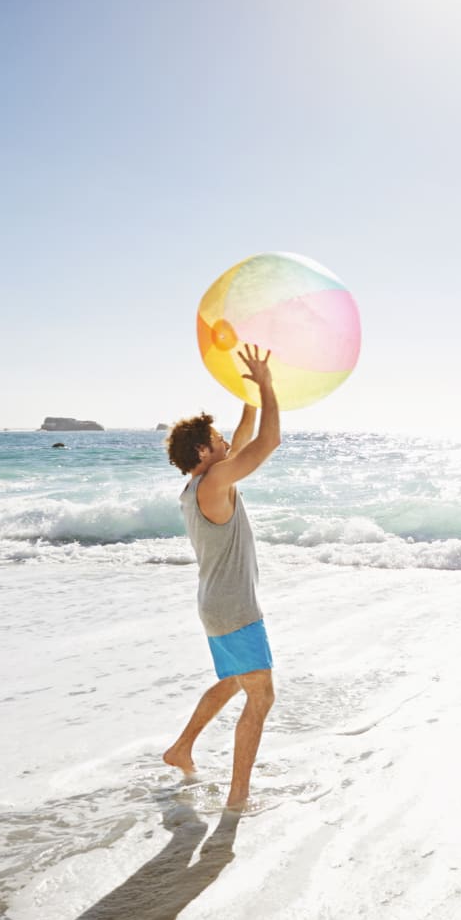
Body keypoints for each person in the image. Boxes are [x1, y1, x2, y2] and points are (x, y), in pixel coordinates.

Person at [161, 344, 280, 810]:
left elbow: (246, 440)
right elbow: (266, 445)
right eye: (219, 441)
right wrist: (268, 387)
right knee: (262, 695)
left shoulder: (197, 486)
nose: (228, 444)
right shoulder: (213, 484)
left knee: (235, 681)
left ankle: (181, 748)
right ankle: (237, 798)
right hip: (233, 607)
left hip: (215, 604)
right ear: (202, 452)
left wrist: (248, 399)